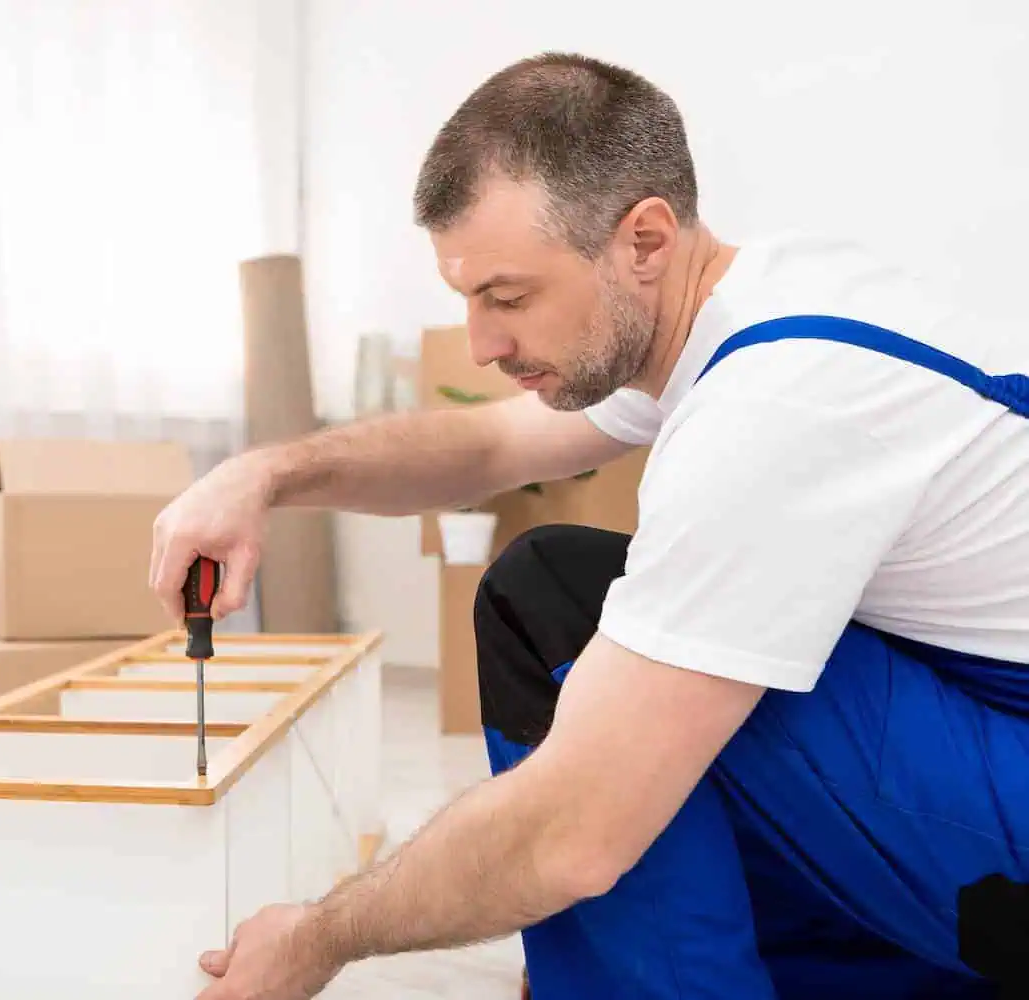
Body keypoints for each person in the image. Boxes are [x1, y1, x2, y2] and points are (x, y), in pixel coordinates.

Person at [148, 51, 1029, 1000]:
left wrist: (319, 937)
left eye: (508, 297)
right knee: (651, 662)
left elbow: (572, 834)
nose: (481, 345)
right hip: (984, 755)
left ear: (644, 239)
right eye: (468, 301)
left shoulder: (777, 403)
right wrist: (264, 474)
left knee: (560, 610)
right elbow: (489, 446)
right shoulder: (760, 305)